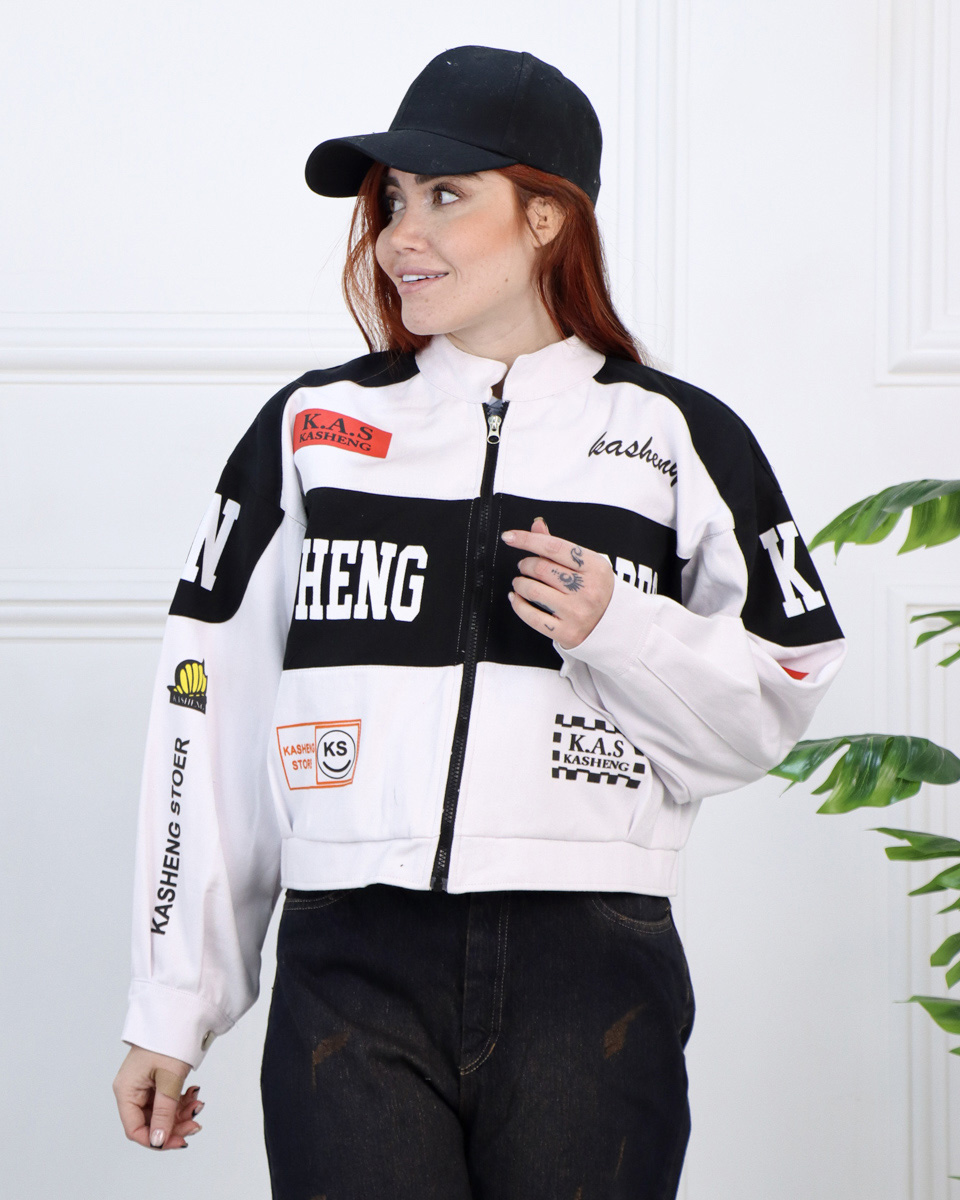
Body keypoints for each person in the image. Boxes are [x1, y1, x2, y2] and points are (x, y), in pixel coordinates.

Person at [112, 45, 846, 1199]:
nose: (400, 236)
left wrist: (620, 629)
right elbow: (208, 712)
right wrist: (174, 1002)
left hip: (591, 967)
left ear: (547, 216)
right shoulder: (310, 429)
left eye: (446, 196)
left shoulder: (677, 438)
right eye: (392, 202)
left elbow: (774, 702)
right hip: (350, 964)